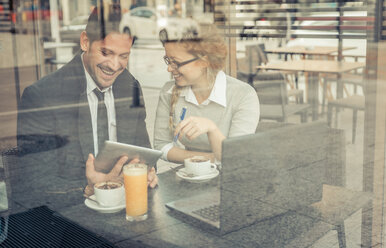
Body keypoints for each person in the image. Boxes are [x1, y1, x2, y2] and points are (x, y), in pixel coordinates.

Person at [17, 8, 157, 204]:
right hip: (69, 217)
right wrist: (89, 188)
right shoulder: (43, 96)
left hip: (124, 205)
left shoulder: (130, 87)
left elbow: (144, 153)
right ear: (85, 42)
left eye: (124, 56)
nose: (115, 65)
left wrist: (147, 172)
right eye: (106, 52)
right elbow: (35, 180)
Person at [153, 26, 260, 164]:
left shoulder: (243, 95)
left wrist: (212, 129)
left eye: (176, 62)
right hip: (192, 176)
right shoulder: (169, 91)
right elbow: (161, 145)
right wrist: (208, 159)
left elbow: (236, 157)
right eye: (168, 60)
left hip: (234, 179)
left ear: (204, 62)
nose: (169, 68)